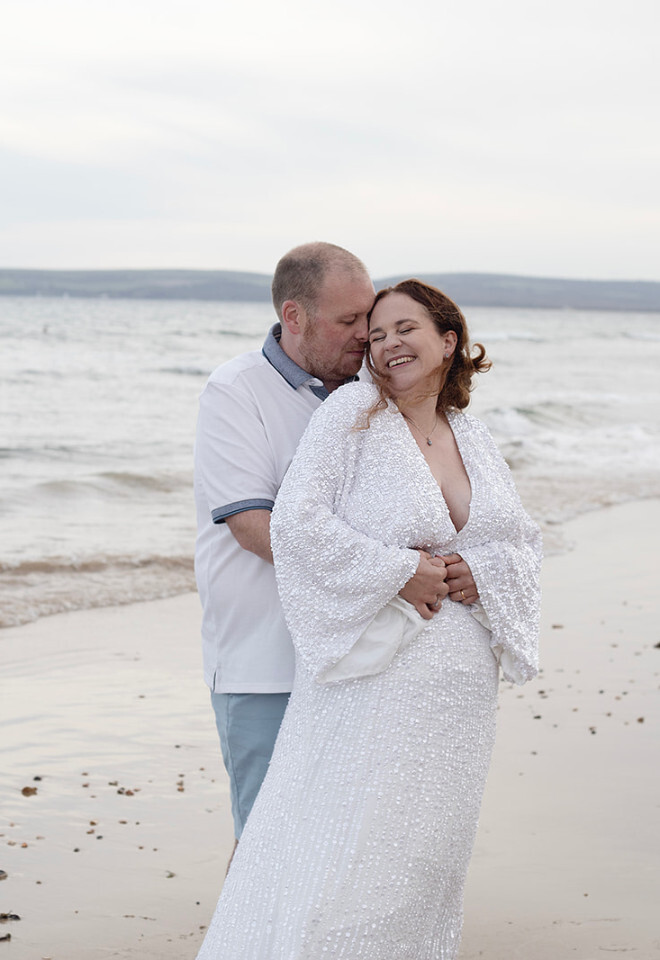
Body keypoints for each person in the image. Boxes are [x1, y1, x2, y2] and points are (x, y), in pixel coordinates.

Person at [195, 278, 542, 959]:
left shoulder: (471, 432)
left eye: (402, 328)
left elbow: (521, 540)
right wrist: (396, 571)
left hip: (459, 700)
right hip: (379, 680)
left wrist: (487, 573)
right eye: (374, 333)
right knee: (356, 857)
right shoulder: (353, 413)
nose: (385, 344)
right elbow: (296, 526)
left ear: (449, 339)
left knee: (426, 862)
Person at [194, 249, 451, 851]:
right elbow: (256, 528)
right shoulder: (235, 392)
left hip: (361, 656)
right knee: (267, 846)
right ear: (295, 316)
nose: (366, 335)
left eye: (371, 319)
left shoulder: (373, 395)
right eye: (349, 321)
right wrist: (392, 573)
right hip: (264, 662)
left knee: (343, 846)